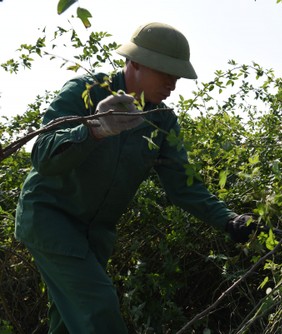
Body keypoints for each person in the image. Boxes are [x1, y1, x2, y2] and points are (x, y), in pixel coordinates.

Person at [15, 22, 257, 333]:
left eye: (176, 75)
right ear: (135, 63)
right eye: (165, 72)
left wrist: (228, 219)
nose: (172, 83)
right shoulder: (84, 93)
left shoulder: (162, 121)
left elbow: (183, 184)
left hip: (95, 234)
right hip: (51, 220)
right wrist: (95, 128)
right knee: (97, 310)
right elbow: (43, 156)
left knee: (69, 324)